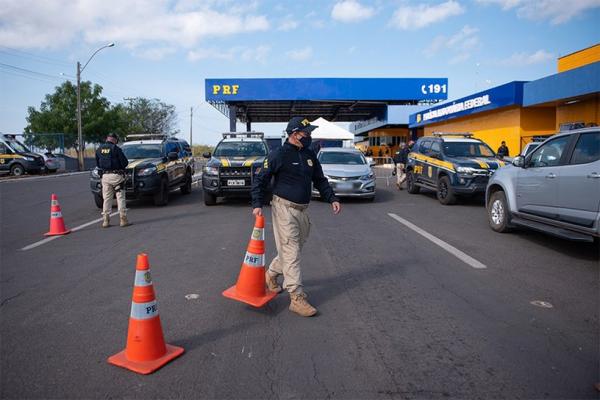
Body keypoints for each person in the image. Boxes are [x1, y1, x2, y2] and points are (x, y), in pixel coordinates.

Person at [251, 116, 341, 317]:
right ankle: (297, 298)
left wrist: (331, 197)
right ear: (294, 134)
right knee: (291, 251)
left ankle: (271, 275)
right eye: (306, 133)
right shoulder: (278, 155)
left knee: (293, 249)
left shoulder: (309, 154)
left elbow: (319, 179)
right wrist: (257, 203)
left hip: (302, 210)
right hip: (283, 208)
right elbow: (261, 179)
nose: (309, 136)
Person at [95, 133, 130, 228]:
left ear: (107, 138)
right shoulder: (116, 149)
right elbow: (125, 163)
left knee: (106, 198)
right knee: (120, 197)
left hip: (105, 176)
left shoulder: (99, 149)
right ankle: (123, 219)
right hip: (117, 176)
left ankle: (105, 220)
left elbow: (98, 164)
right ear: (114, 140)